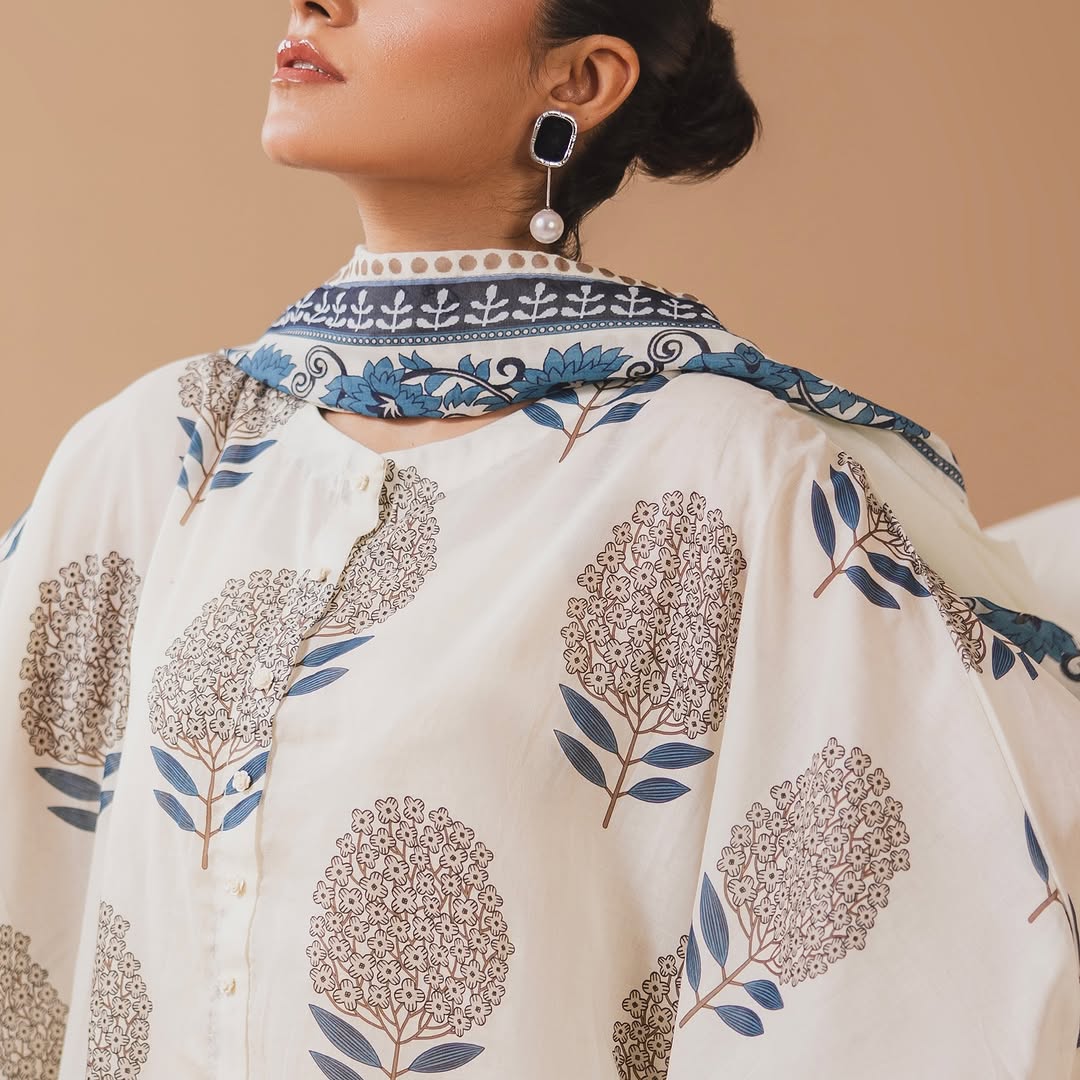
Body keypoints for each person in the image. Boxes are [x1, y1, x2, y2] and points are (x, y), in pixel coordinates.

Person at [2, 0, 1078, 1077]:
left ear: (582, 80)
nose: (319, 2)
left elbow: (892, 990)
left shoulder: (737, 479)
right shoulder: (162, 452)